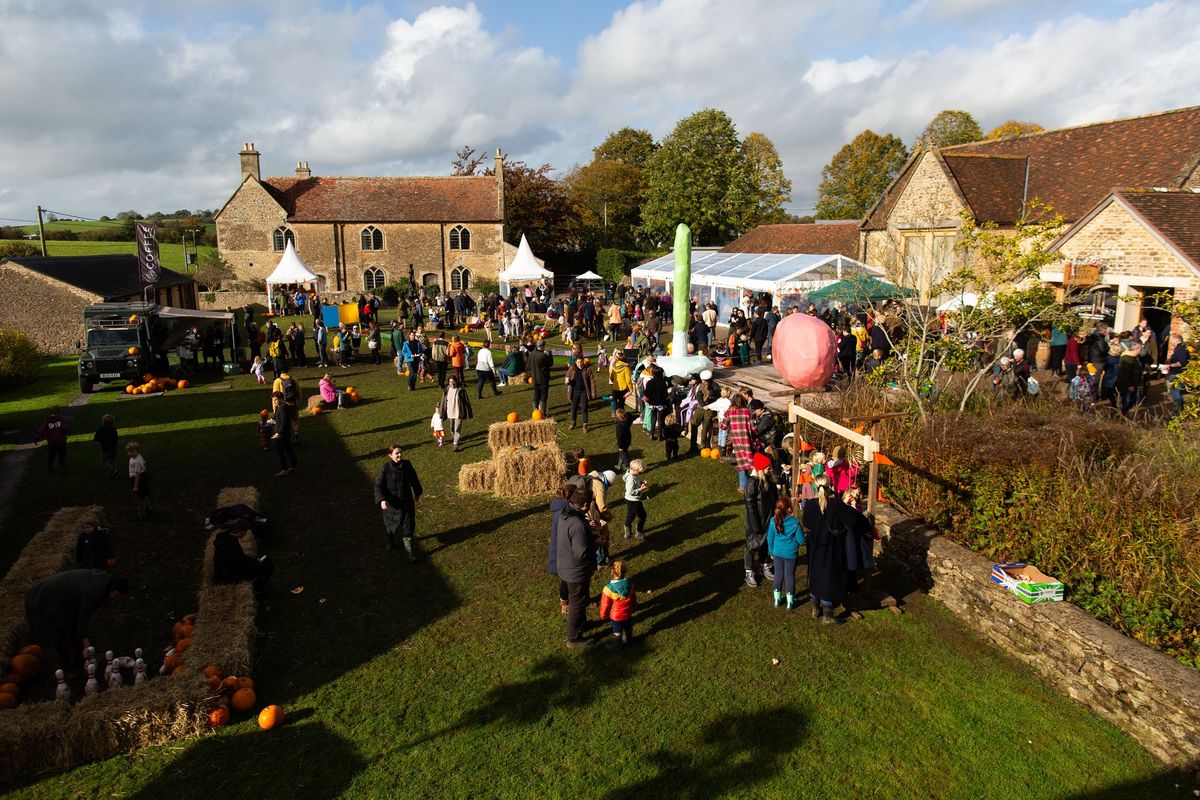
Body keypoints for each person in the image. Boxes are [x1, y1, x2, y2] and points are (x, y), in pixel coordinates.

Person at [25, 569, 129, 671]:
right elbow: (82, 619)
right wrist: (86, 646)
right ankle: (65, 667)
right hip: (43, 599)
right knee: (61, 633)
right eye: (116, 595)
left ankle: (79, 659)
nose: (115, 599)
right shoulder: (93, 592)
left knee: (72, 628)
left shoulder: (102, 580)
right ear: (112, 589)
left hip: (61, 599)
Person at [803, 476, 850, 625]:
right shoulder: (836, 504)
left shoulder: (810, 505)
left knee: (816, 573)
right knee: (829, 576)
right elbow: (848, 519)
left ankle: (815, 608)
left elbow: (806, 522)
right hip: (831, 547)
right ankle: (827, 614)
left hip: (815, 545)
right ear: (830, 486)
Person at [556, 485, 597, 648]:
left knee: (581, 599)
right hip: (576, 569)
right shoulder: (578, 523)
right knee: (577, 604)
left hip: (566, 564)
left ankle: (581, 624)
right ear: (585, 505)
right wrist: (595, 544)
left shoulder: (566, 513)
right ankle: (573, 638)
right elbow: (581, 552)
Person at [373, 444, 424, 561]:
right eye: (397, 453)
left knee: (408, 525)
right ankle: (391, 541)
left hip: (406, 501)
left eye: (400, 452)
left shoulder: (407, 465)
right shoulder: (385, 468)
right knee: (391, 524)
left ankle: (410, 554)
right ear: (390, 455)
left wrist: (417, 492)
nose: (400, 455)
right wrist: (381, 500)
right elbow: (379, 485)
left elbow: (414, 479)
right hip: (392, 504)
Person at [743, 452, 777, 587]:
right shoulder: (752, 484)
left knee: (765, 543)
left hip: (768, 519)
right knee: (752, 545)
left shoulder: (767, 480)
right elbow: (750, 507)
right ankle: (749, 570)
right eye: (768, 468)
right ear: (760, 469)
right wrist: (756, 526)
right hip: (755, 521)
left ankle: (764, 564)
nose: (771, 470)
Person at [213, 519, 274, 591]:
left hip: (228, 571)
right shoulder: (228, 546)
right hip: (227, 577)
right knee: (266, 566)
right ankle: (258, 590)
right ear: (239, 531)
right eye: (245, 531)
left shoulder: (226, 537)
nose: (245, 534)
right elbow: (239, 563)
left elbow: (239, 558)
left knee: (264, 562)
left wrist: (254, 560)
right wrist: (256, 563)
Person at [767, 496, 803, 610]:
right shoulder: (795, 523)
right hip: (791, 554)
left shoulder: (773, 521)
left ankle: (777, 600)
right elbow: (801, 540)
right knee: (789, 576)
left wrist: (771, 551)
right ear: (788, 509)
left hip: (777, 553)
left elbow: (770, 538)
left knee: (778, 574)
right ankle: (790, 602)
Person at [598, 560, 638, 650]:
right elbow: (634, 598)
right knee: (628, 627)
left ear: (612, 571)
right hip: (628, 613)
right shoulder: (630, 584)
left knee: (617, 630)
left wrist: (603, 615)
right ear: (625, 571)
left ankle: (617, 644)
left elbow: (605, 604)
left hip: (616, 616)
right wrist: (634, 607)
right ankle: (629, 641)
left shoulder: (608, 588)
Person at [723, 392, 757, 491]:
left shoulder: (729, 412)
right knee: (751, 461)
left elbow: (724, 426)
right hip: (747, 440)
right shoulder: (747, 412)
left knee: (741, 462)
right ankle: (755, 483)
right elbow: (753, 428)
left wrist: (722, 422)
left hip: (737, 441)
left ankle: (743, 486)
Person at [548, 484, 573, 615]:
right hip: (564, 547)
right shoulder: (565, 511)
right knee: (566, 577)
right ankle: (564, 602)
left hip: (561, 544)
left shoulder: (559, 507)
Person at [437, 374, 473, 452]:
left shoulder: (461, 390)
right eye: (450, 382)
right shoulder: (447, 389)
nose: (452, 383)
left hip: (458, 412)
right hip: (450, 412)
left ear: (456, 382)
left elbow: (467, 402)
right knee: (452, 428)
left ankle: (455, 443)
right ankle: (455, 438)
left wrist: (469, 412)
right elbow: (443, 401)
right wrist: (441, 411)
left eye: (453, 382)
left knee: (457, 427)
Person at [269, 392, 297, 476]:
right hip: (285, 433)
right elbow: (280, 420)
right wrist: (273, 421)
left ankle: (284, 469)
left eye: (276, 400)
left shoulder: (283, 408)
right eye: (273, 400)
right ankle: (294, 465)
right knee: (288, 449)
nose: (275, 402)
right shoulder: (282, 407)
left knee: (280, 452)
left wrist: (278, 433)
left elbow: (284, 422)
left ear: (281, 398)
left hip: (282, 434)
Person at [565, 354, 596, 431]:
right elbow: (566, 377)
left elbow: (592, 382)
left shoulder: (587, 370)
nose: (580, 364)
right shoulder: (572, 369)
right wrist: (567, 381)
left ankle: (585, 425)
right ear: (575, 362)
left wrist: (593, 392)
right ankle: (573, 422)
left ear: (583, 361)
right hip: (574, 392)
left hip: (584, 392)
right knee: (574, 408)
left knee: (584, 408)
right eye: (578, 362)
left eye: (581, 362)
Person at [36, 406, 70, 475]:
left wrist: (38, 437)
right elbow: (65, 427)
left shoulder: (47, 420)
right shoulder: (61, 419)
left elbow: (42, 429)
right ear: (59, 412)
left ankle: (50, 470)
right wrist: (64, 433)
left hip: (51, 441)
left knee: (51, 456)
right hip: (61, 441)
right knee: (62, 456)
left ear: (51, 412)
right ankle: (63, 471)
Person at [622, 459, 648, 541]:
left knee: (631, 514)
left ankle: (627, 531)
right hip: (634, 500)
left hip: (630, 500)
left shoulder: (631, 473)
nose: (640, 474)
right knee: (642, 515)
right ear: (634, 470)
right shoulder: (631, 479)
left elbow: (635, 481)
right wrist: (640, 489)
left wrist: (640, 482)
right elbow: (630, 491)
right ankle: (639, 533)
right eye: (639, 472)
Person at [1165, 333, 1190, 414]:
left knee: (1175, 392)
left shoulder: (1181, 348)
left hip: (1177, 373)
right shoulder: (1179, 348)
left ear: (1176, 339)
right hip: (1177, 373)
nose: (1170, 340)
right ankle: (1180, 409)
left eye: (1171, 339)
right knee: (1177, 392)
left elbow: (1181, 362)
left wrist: (1169, 365)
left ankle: (1177, 411)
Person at [527, 339, 553, 415]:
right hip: (543, 379)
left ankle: (535, 411)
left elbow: (528, 365)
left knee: (536, 395)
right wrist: (550, 355)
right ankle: (542, 413)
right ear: (542, 346)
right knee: (543, 396)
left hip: (534, 378)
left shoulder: (531, 354)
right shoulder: (543, 356)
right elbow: (550, 364)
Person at [126, 441, 152, 515]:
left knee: (140, 497)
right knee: (143, 495)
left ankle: (142, 512)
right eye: (129, 452)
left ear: (137, 451)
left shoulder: (136, 461)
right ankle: (149, 507)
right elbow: (144, 463)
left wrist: (135, 486)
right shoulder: (137, 457)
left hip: (138, 479)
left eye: (132, 451)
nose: (130, 453)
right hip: (139, 477)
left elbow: (137, 474)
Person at [93, 414, 118, 478]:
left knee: (104, 461)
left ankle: (113, 470)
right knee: (112, 460)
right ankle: (115, 471)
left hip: (105, 448)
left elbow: (96, 438)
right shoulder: (113, 429)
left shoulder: (100, 429)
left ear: (103, 421)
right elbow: (116, 437)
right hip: (113, 447)